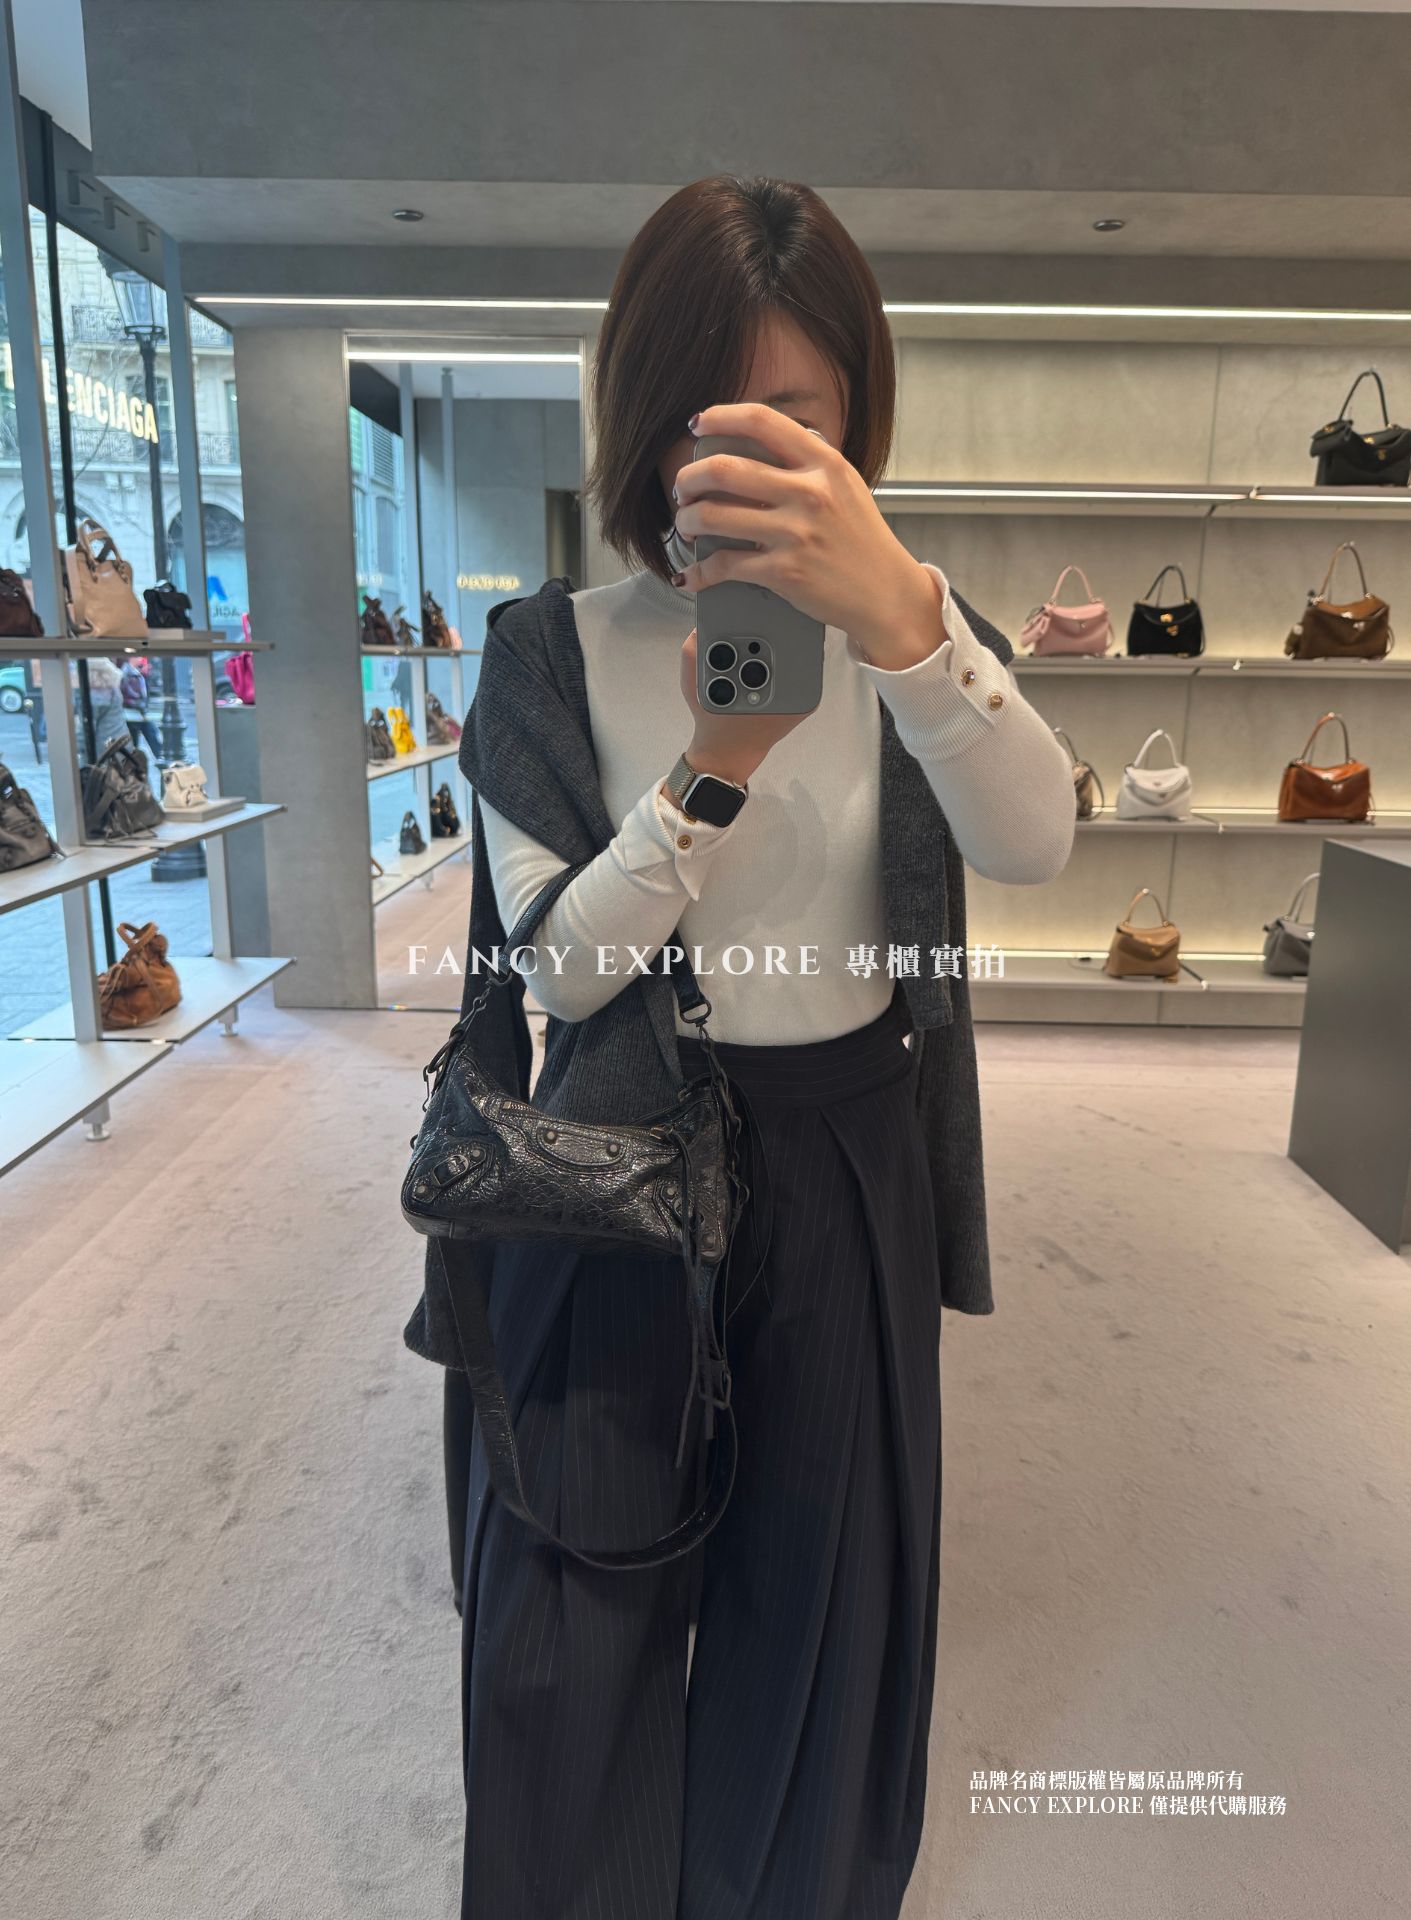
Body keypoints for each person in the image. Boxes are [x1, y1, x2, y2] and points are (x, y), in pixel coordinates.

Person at [406, 174, 1078, 1920]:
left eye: (802, 416)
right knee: (571, 1613)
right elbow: (562, 974)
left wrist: (908, 628)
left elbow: (1035, 842)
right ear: (643, 421)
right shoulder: (546, 649)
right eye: (716, 417)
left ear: (854, 422)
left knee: (819, 1600)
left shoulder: (914, 633)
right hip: (607, 1167)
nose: (757, 459)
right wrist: (716, 763)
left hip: (848, 1152)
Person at [117, 656, 163, 760]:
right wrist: (139, 705)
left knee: (151, 736)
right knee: (137, 742)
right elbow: (129, 695)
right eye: (137, 657)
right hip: (131, 714)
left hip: (139, 714)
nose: (140, 659)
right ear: (131, 659)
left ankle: (161, 759)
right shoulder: (127, 673)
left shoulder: (137, 673)